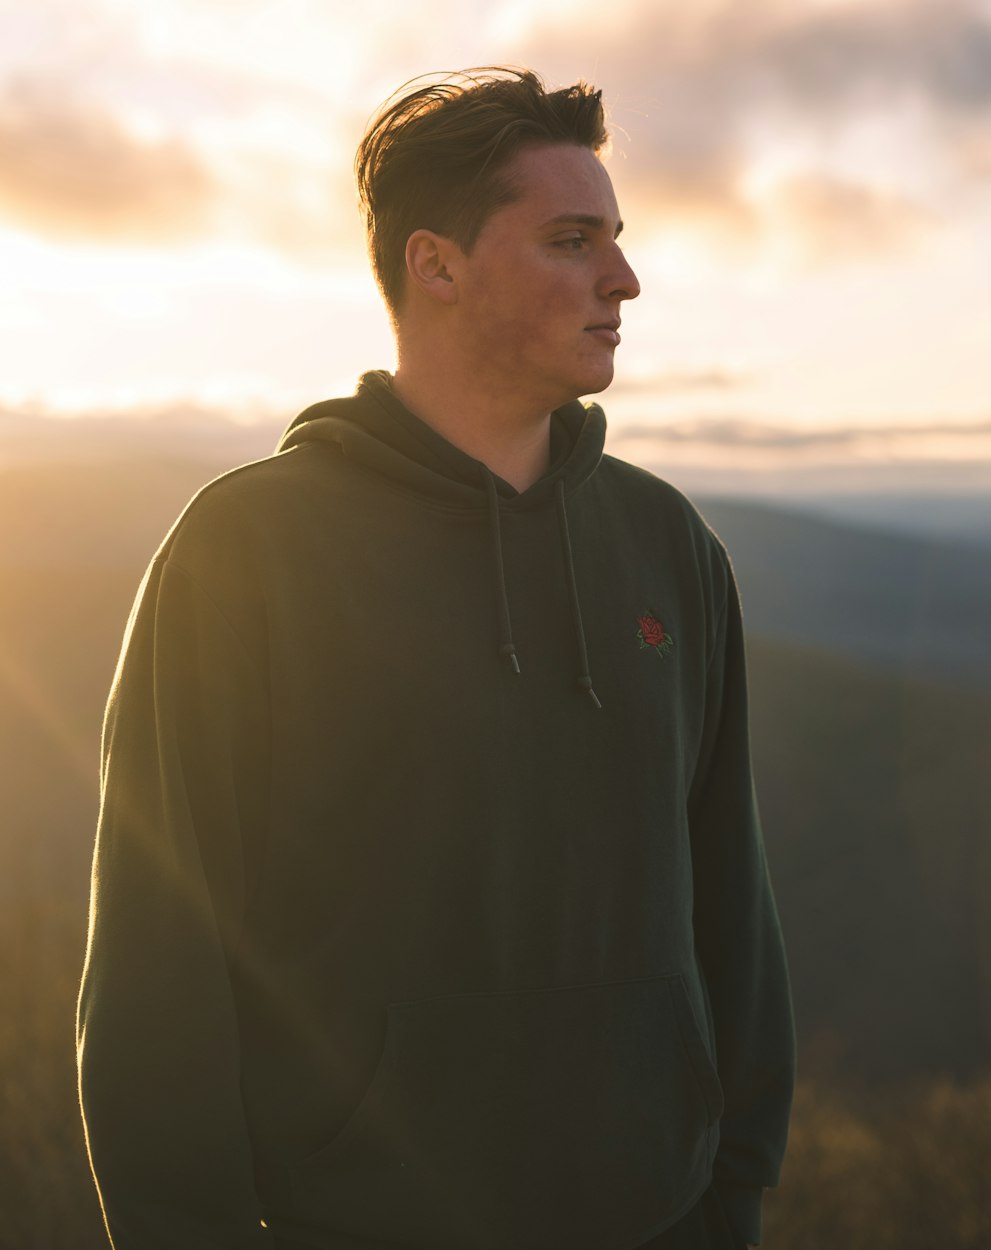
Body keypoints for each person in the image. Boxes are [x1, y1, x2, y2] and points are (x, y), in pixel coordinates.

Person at [77, 68, 794, 1250]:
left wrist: (733, 1192)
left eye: (616, 240)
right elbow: (162, 954)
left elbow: (729, 894)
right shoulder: (246, 551)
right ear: (437, 264)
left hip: (664, 1220)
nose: (623, 279)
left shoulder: (665, 546)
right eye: (572, 240)